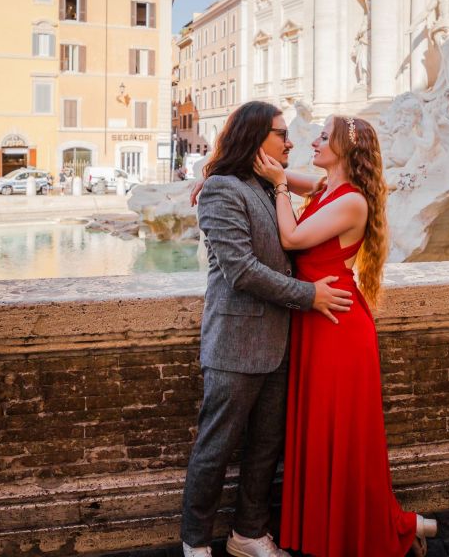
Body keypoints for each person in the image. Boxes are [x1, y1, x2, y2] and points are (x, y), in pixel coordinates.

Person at [253, 116, 439, 556]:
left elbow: (293, 237)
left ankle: (396, 526)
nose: (313, 141)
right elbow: (269, 169)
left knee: (344, 439)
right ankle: (371, 528)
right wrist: (216, 172)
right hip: (316, 320)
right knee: (321, 433)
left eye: (323, 137)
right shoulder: (324, 188)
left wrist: (280, 187)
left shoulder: (352, 200)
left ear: (343, 148)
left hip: (338, 328)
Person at [182, 101, 354, 557]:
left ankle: (249, 535)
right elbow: (241, 270)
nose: (291, 140)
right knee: (216, 449)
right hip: (236, 343)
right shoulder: (221, 190)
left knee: (265, 447)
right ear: (257, 138)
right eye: (281, 134)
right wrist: (309, 296)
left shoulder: (264, 182)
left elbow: (324, 184)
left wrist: (276, 176)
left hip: (280, 341)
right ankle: (195, 544)